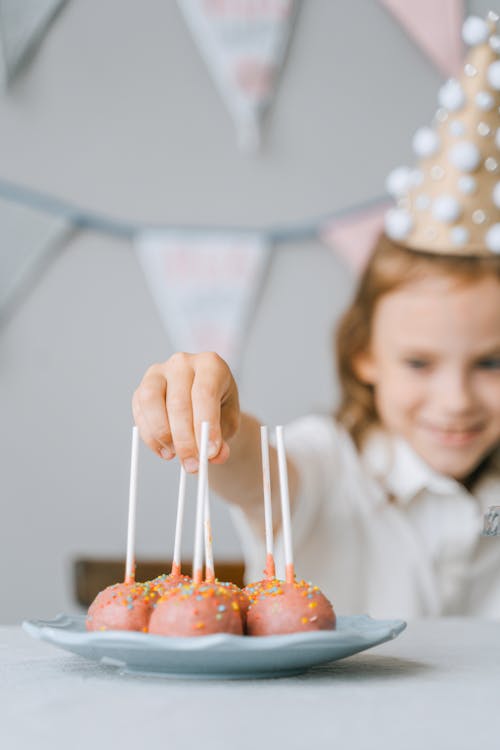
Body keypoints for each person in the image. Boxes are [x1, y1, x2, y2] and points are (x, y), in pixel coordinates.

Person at [132, 14, 500, 619]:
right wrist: (214, 417)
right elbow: (255, 475)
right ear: (364, 354)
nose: (456, 399)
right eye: (419, 361)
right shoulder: (327, 467)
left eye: (489, 360)